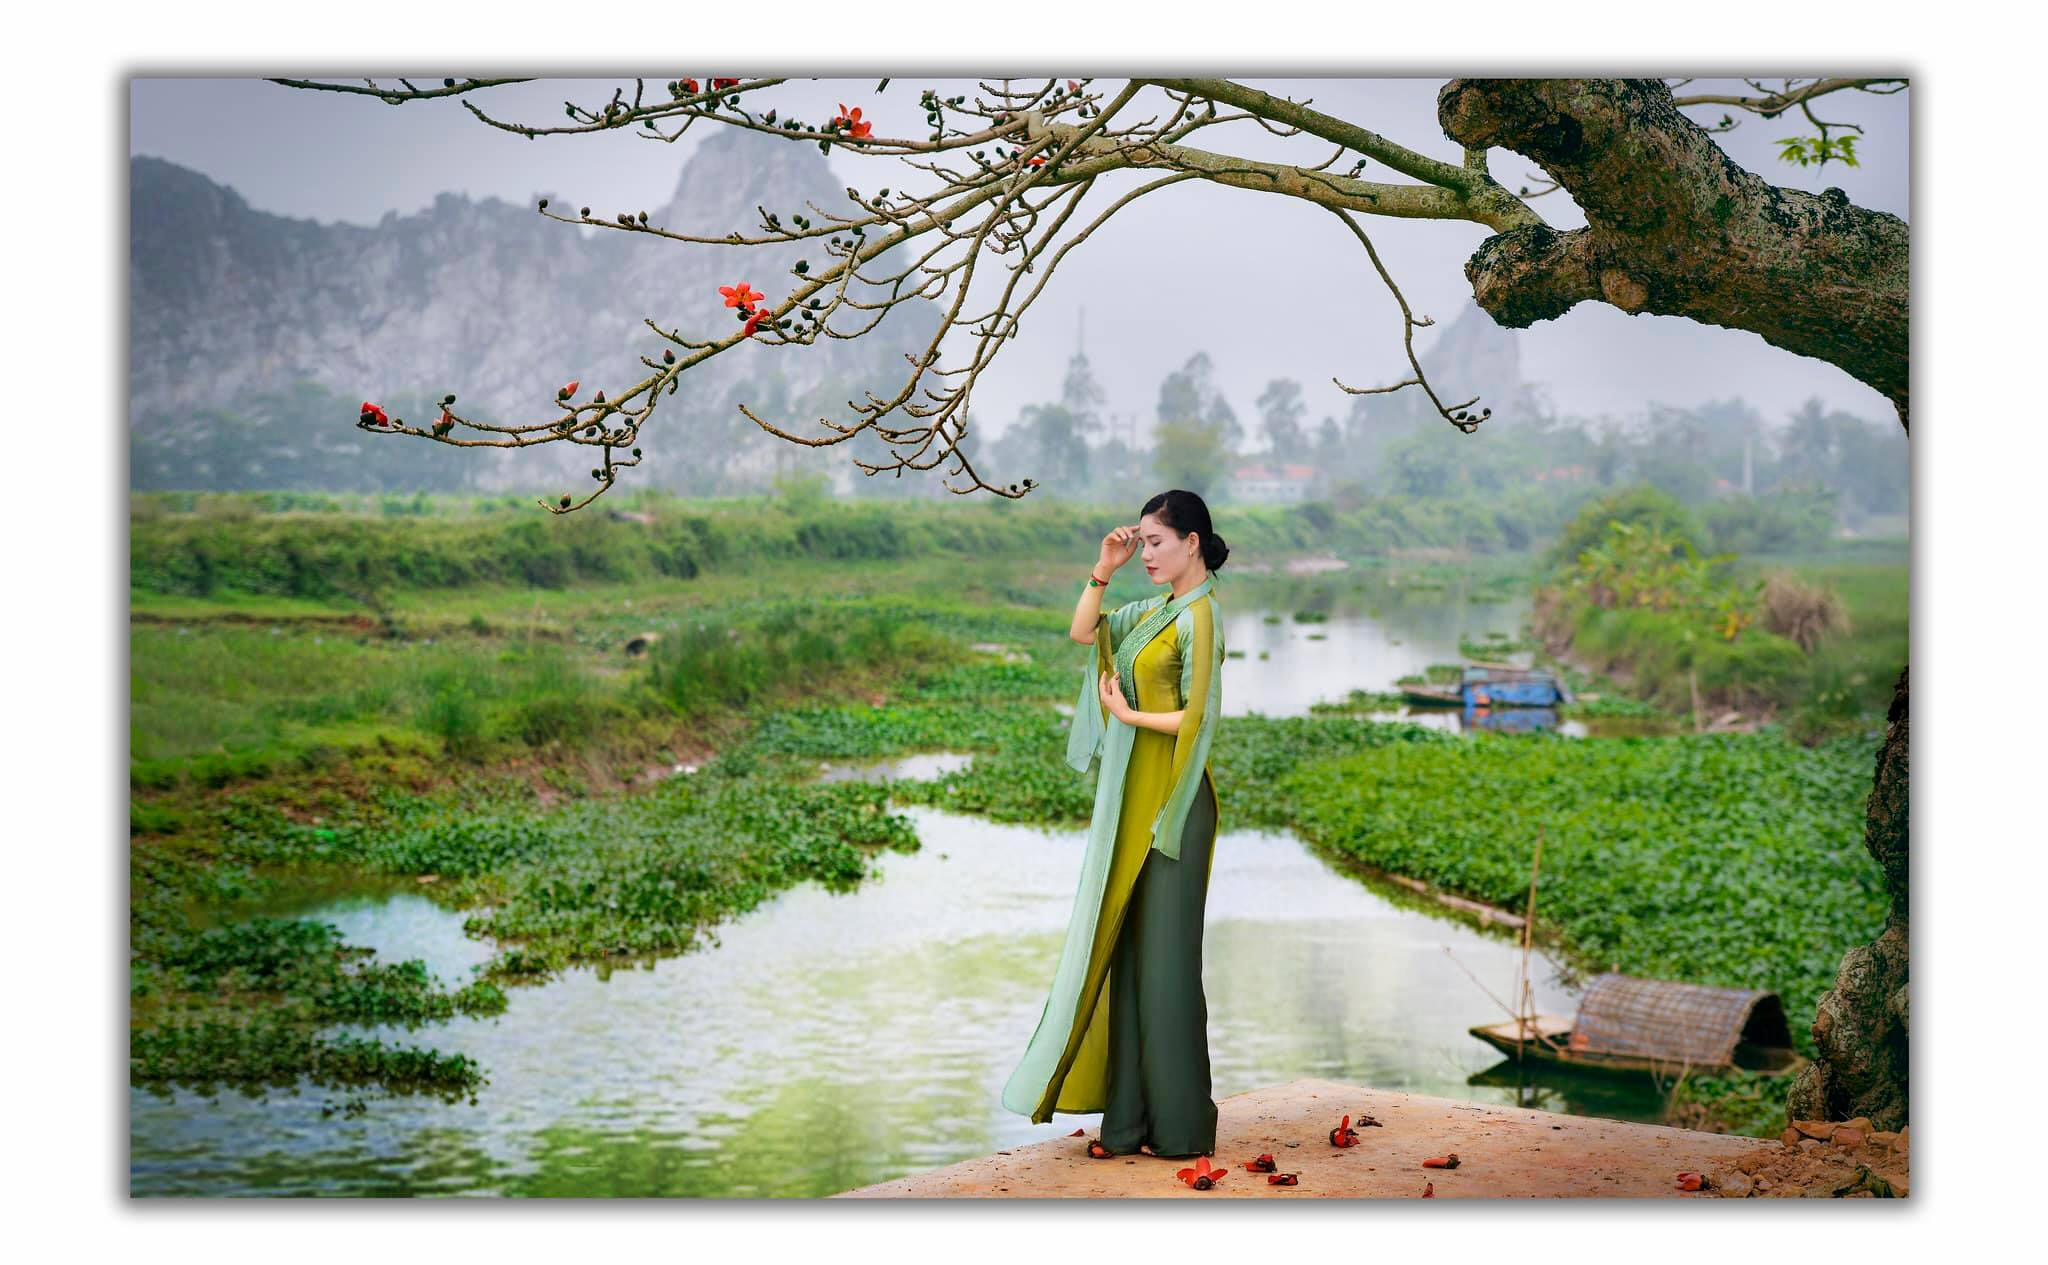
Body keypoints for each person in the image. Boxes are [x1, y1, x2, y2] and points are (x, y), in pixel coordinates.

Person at [1000, 489, 1230, 1159]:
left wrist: (1128, 719)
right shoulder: (1153, 610)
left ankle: (1182, 1127)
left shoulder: (1200, 616)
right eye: (1144, 542)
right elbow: (1082, 629)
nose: (1148, 554)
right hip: (1134, 800)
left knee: (1167, 969)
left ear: (1192, 542)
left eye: (1157, 543)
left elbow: (1200, 718)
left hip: (1175, 806)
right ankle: (1128, 1124)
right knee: (1129, 960)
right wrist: (1104, 566)